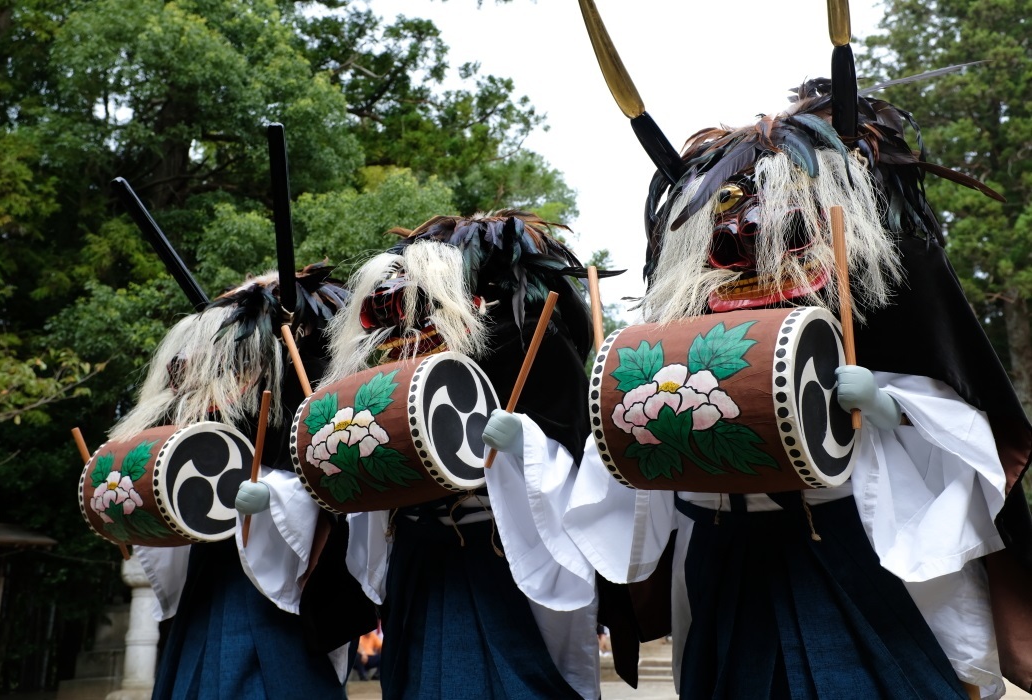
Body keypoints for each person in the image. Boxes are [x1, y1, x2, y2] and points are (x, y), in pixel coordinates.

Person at [482, 79, 1032, 700]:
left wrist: (889, 406)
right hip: (720, 552)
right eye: (728, 238)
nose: (751, 250)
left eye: (778, 234)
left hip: (845, 541)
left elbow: (961, 429)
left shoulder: (866, 331)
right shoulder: (676, 351)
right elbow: (628, 478)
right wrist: (557, 441)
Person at [315, 211, 601, 699]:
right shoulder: (386, 375)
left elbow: (578, 465)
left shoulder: (532, 346)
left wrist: (526, 446)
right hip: (418, 558)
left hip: (502, 555)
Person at [109, 264, 375, 698]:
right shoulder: (198, 408)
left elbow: (333, 492)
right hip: (207, 570)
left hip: (279, 581)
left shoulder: (300, 393)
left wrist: (273, 496)